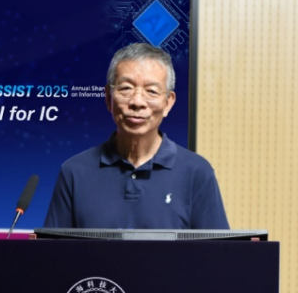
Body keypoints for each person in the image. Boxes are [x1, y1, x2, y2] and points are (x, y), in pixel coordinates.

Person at [44, 43, 229, 229]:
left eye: (151, 91)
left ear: (168, 103)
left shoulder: (197, 172)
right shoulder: (74, 172)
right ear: (108, 98)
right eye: (126, 88)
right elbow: (52, 248)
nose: (137, 102)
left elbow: (217, 248)